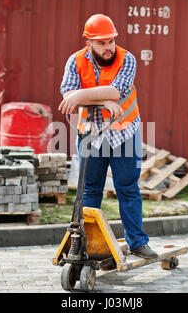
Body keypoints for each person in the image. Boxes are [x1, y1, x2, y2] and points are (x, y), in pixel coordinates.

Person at [58, 14, 157, 259]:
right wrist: (103, 100)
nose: (108, 47)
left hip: (125, 133)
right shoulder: (75, 61)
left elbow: (115, 91)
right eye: (102, 42)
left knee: (128, 188)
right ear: (89, 42)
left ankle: (137, 242)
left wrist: (83, 96)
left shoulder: (127, 59)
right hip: (91, 134)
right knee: (90, 190)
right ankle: (87, 243)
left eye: (111, 41)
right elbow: (67, 94)